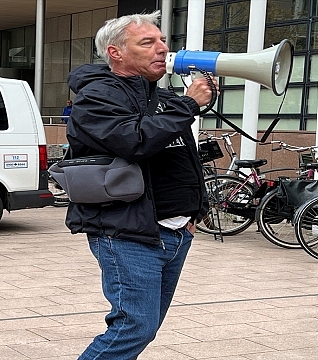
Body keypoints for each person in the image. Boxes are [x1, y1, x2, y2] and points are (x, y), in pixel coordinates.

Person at [64, 10, 218, 359]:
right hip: (128, 230)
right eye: (147, 42)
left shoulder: (161, 97)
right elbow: (134, 141)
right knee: (134, 326)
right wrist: (189, 104)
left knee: (143, 328)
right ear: (116, 52)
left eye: (162, 40)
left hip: (175, 231)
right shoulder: (97, 96)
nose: (162, 48)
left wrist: (195, 212)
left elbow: (181, 157)